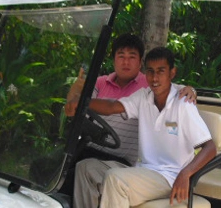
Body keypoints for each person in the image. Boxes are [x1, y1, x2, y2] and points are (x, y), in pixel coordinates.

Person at [74, 47, 216, 208]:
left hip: (170, 178)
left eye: (161, 71)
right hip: (145, 171)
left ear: (172, 72)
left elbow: (210, 147)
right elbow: (112, 106)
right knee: (86, 168)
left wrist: (186, 174)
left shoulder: (183, 103)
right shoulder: (143, 97)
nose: (154, 78)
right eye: (150, 72)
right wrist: (81, 103)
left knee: (116, 180)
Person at [64, 33, 197, 165]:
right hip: (88, 148)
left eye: (132, 57)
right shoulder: (100, 82)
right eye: (121, 56)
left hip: (119, 159)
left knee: (80, 169)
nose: (126, 62)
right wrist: (77, 87)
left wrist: (192, 90)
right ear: (114, 60)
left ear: (140, 62)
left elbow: (178, 89)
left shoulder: (149, 85)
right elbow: (74, 107)